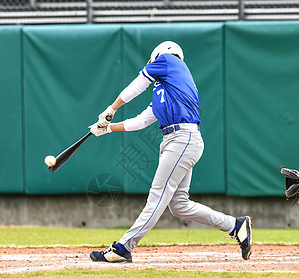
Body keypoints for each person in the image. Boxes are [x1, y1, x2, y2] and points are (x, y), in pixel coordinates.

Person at [88, 41, 252, 263]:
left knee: (156, 197)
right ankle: (235, 225)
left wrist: (112, 108)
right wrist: (108, 128)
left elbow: (138, 84)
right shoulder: (167, 88)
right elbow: (141, 121)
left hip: (182, 139)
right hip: (178, 141)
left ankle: (123, 247)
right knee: (179, 205)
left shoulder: (168, 60)